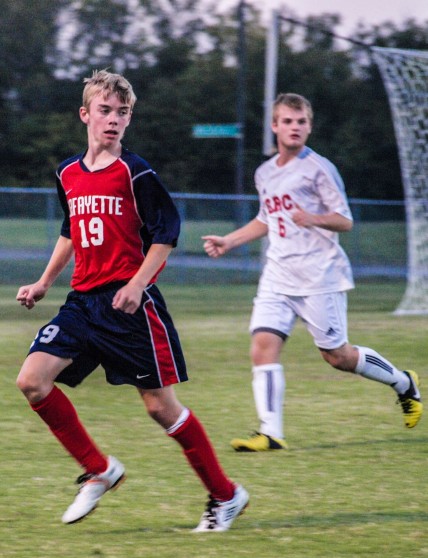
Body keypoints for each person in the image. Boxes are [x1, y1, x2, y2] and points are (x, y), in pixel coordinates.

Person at [16, 69, 249, 530]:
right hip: (83, 303)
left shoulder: (136, 172)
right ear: (85, 115)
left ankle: (226, 496)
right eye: (105, 111)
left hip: (130, 307)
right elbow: (72, 231)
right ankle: (99, 470)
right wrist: (44, 281)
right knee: (32, 381)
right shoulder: (67, 172)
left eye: (122, 113)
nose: (114, 120)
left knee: (161, 409)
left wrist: (139, 282)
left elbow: (166, 233)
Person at [202, 92, 423, 452]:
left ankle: (403, 383)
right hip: (278, 274)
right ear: (275, 126)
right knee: (262, 347)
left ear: (309, 127)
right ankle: (270, 432)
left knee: (338, 356)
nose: (295, 127)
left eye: (301, 122)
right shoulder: (265, 172)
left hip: (319, 276)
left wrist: (313, 217)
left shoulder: (319, 169)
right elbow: (265, 219)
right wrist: (230, 241)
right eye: (287, 121)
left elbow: (345, 220)